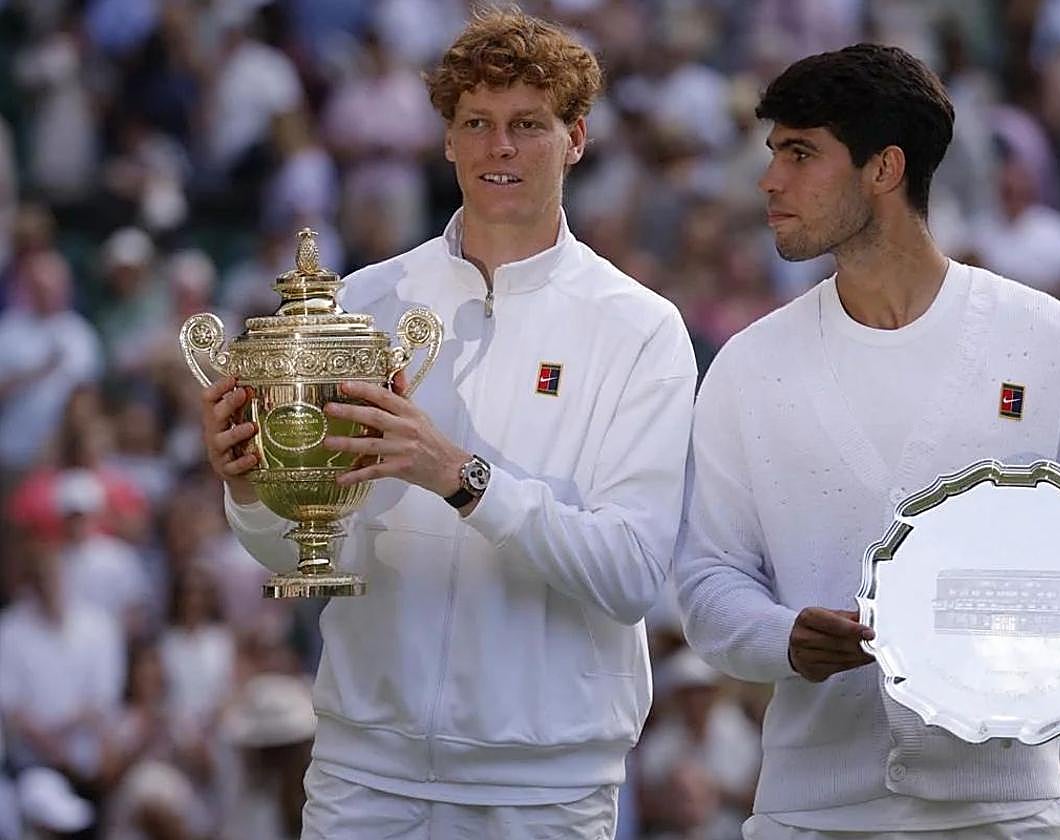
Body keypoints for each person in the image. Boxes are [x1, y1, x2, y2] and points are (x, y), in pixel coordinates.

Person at [673, 43, 1060, 840]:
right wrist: (783, 638)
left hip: (1011, 814)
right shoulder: (749, 367)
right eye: (774, 152)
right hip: (809, 817)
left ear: (884, 169)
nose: (769, 179)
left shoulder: (1049, 341)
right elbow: (708, 580)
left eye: (800, 153)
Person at [200, 8, 696, 838]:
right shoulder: (358, 305)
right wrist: (255, 491)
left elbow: (632, 574)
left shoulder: (641, 328)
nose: (500, 147)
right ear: (446, 141)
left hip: (545, 793)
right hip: (363, 778)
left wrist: (462, 479)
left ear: (575, 139)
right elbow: (321, 552)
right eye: (478, 123)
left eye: (527, 125)